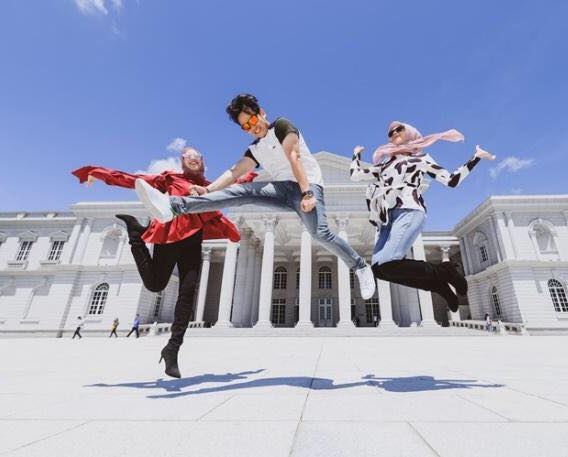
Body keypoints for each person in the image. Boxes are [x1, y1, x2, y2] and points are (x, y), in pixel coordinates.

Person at [134, 93, 376, 301]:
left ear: (261, 113)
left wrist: (308, 192)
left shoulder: (282, 126)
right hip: (281, 190)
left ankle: (360, 266)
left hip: (307, 185)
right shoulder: (255, 148)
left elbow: (294, 157)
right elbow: (235, 171)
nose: (252, 127)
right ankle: (174, 206)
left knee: (319, 233)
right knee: (241, 192)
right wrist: (208, 190)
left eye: (252, 120)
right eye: (245, 127)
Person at [73, 147, 256, 378]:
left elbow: (235, 185)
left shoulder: (210, 186)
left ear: (202, 162)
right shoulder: (170, 179)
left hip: (193, 239)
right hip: (169, 236)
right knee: (155, 285)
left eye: (197, 156)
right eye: (188, 156)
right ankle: (136, 237)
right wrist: (97, 173)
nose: (193, 158)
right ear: (182, 161)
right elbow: (133, 180)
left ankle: (172, 350)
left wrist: (251, 175)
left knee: (188, 293)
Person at [350, 122, 496, 311]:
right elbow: (355, 175)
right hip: (386, 220)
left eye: (399, 129)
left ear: (409, 132)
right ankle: (438, 285)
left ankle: (444, 271)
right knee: (379, 269)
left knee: (390, 263)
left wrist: (476, 158)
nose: (394, 133)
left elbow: (452, 180)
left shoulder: (420, 158)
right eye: (390, 132)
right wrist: (356, 154)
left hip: (409, 210)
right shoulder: (384, 164)